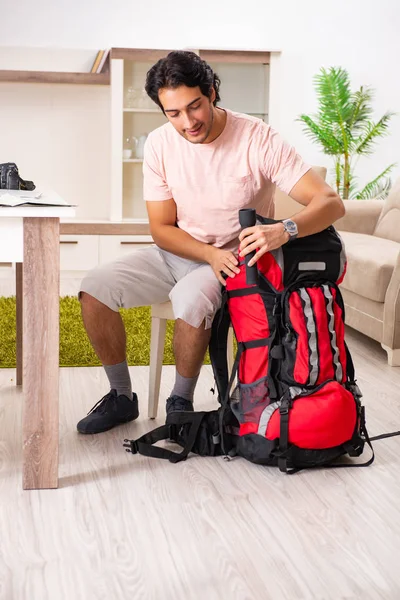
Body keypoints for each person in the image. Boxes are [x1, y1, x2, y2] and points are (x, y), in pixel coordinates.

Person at [76, 50, 345, 434]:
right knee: (94, 288)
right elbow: (161, 228)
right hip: (180, 251)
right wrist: (206, 253)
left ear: (212, 91)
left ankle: (179, 404)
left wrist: (283, 229)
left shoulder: (257, 138)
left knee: (191, 299)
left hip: (236, 262)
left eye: (194, 106)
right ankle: (121, 397)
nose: (188, 122)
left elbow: (331, 204)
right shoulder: (159, 144)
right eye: (174, 114)